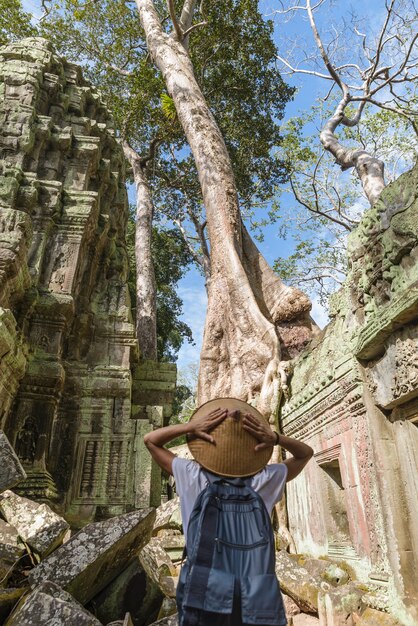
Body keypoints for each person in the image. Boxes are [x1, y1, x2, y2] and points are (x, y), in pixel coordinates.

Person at [144, 398, 314, 626]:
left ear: (206, 444)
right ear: (253, 447)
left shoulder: (192, 475)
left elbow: (151, 441)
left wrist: (190, 427)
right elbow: (305, 454)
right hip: (256, 592)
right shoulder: (264, 479)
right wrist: (274, 438)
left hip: (205, 589)